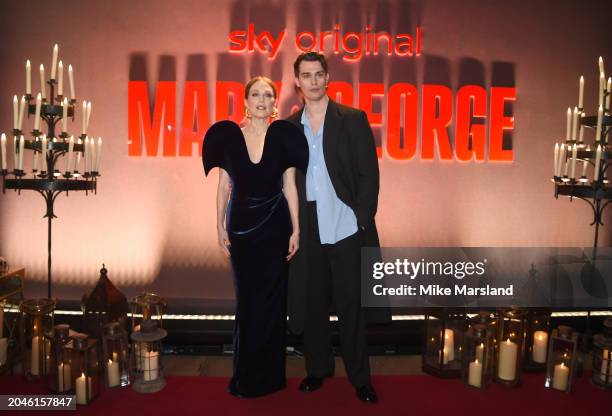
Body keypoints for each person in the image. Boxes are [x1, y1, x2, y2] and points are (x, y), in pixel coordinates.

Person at [202, 76, 308, 397]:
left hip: (276, 228)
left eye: (267, 95)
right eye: (255, 94)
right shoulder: (230, 138)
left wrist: (297, 229)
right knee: (248, 302)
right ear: (245, 101)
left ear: (275, 102)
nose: (261, 100)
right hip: (242, 230)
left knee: (274, 303)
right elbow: (224, 186)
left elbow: (290, 186)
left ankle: (271, 378)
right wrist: (219, 225)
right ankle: (246, 377)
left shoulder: (285, 137)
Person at [286, 52, 381, 404]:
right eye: (305, 75)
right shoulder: (289, 127)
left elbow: (368, 174)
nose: (312, 81)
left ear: (328, 78)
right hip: (308, 226)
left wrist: (361, 218)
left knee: (351, 306)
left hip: (344, 225)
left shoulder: (352, 119)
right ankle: (317, 370)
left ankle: (360, 379)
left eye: (318, 74)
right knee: (312, 305)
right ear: (297, 81)